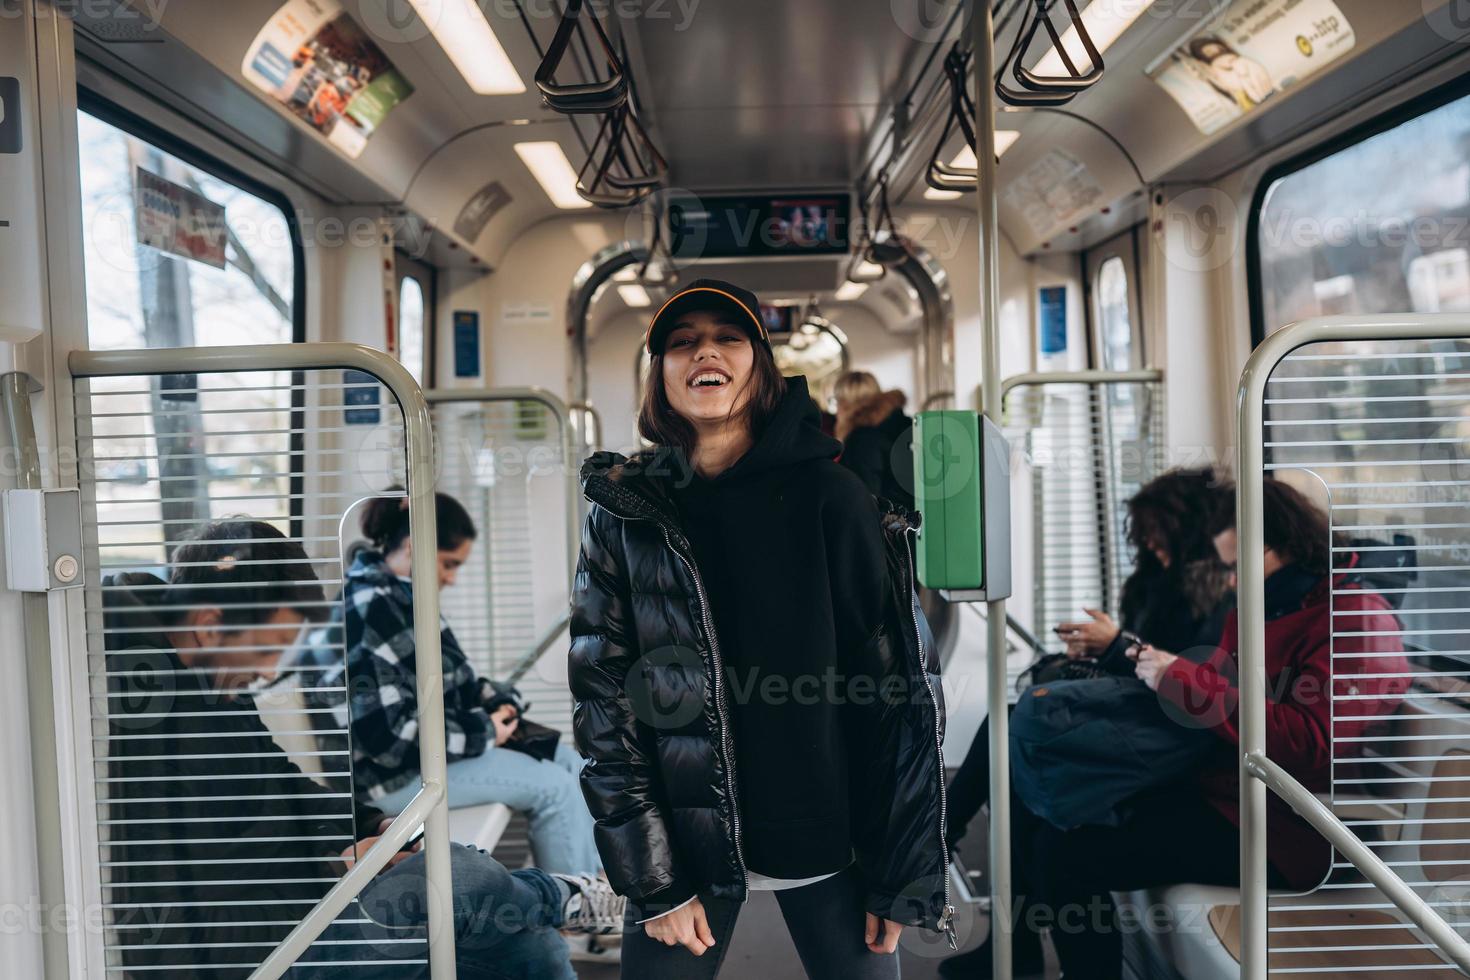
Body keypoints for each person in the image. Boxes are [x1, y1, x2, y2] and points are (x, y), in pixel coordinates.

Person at [569, 278, 952, 979]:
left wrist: (903, 870)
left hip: (829, 833)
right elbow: (605, 705)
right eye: (680, 343)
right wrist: (653, 880)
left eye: (728, 337)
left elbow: (897, 693)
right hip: (686, 846)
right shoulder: (625, 513)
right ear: (661, 377)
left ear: (761, 367)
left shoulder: (834, 500)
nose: (703, 352)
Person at [102, 520, 621, 979]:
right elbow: (202, 880)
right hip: (269, 955)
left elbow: (282, 783)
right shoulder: (151, 715)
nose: (265, 672)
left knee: (508, 929)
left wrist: (368, 829)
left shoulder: (210, 682)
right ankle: (560, 896)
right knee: (461, 877)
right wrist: (335, 867)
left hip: (304, 915)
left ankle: (552, 902)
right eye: (264, 650)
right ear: (209, 624)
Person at [965, 480, 1409, 979]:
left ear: (1276, 544)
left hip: (1289, 829)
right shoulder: (1264, 607)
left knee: (1066, 851)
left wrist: (1177, 676)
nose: (1231, 581)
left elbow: (1308, 745)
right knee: (1046, 804)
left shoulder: (1357, 621)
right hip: (1224, 790)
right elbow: (1221, 693)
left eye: (1235, 565)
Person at [940, 467, 1234, 977]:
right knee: (1017, 757)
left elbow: (1191, 686)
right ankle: (1008, 938)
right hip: (1147, 726)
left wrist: (1117, 648)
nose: (1153, 549)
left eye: (1160, 538)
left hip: (1179, 747)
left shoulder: (1221, 598)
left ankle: (943, 845)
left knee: (1019, 755)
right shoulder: (1159, 583)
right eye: (1146, 540)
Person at [310, 492, 602, 877]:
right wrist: (485, 730)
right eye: (448, 564)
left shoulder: (404, 598)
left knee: (569, 762)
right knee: (555, 789)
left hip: (423, 758)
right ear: (415, 547)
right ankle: (575, 909)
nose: (451, 577)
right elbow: (385, 741)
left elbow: (457, 683)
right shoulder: (369, 610)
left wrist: (498, 702)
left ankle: (600, 885)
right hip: (389, 780)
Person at [834, 370, 915, 510]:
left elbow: (864, 500)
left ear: (846, 404)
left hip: (888, 526)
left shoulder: (862, 440)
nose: (836, 410)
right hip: (916, 521)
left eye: (837, 402)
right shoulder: (906, 426)